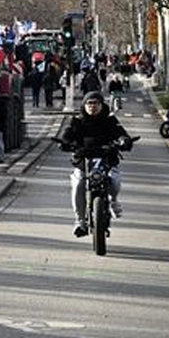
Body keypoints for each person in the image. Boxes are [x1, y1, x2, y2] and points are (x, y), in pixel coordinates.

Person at [58, 91, 135, 237]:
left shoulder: (110, 120)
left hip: (107, 160)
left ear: (102, 105)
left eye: (96, 103)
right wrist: (65, 144)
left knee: (115, 180)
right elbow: (66, 136)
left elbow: (121, 134)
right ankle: (80, 221)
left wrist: (124, 141)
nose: (93, 106)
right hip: (83, 162)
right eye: (89, 103)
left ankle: (113, 201)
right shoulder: (77, 121)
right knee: (78, 185)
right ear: (84, 105)